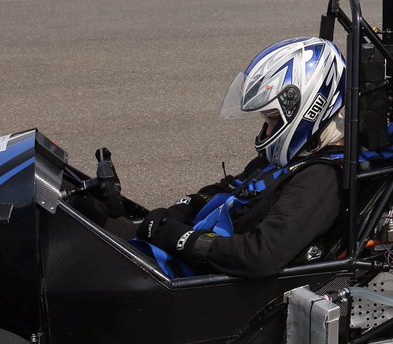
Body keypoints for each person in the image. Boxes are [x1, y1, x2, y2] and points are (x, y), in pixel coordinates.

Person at [135, 37, 348, 278]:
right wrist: (180, 210)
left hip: (222, 291)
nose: (267, 131)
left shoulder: (320, 180)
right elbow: (230, 189)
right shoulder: (290, 159)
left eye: (272, 119)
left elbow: (259, 256)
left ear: (310, 110)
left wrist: (176, 237)